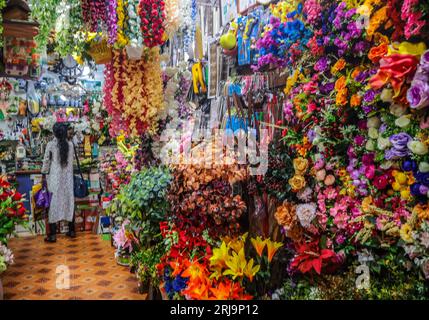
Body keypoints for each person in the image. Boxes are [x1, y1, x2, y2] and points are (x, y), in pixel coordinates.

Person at [41, 122, 75, 242]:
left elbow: (46, 161)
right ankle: (71, 231)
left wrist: (44, 173)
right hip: (68, 178)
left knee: (54, 204)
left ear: (54, 133)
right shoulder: (71, 145)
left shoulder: (51, 145)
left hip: (55, 178)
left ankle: (53, 235)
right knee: (69, 201)